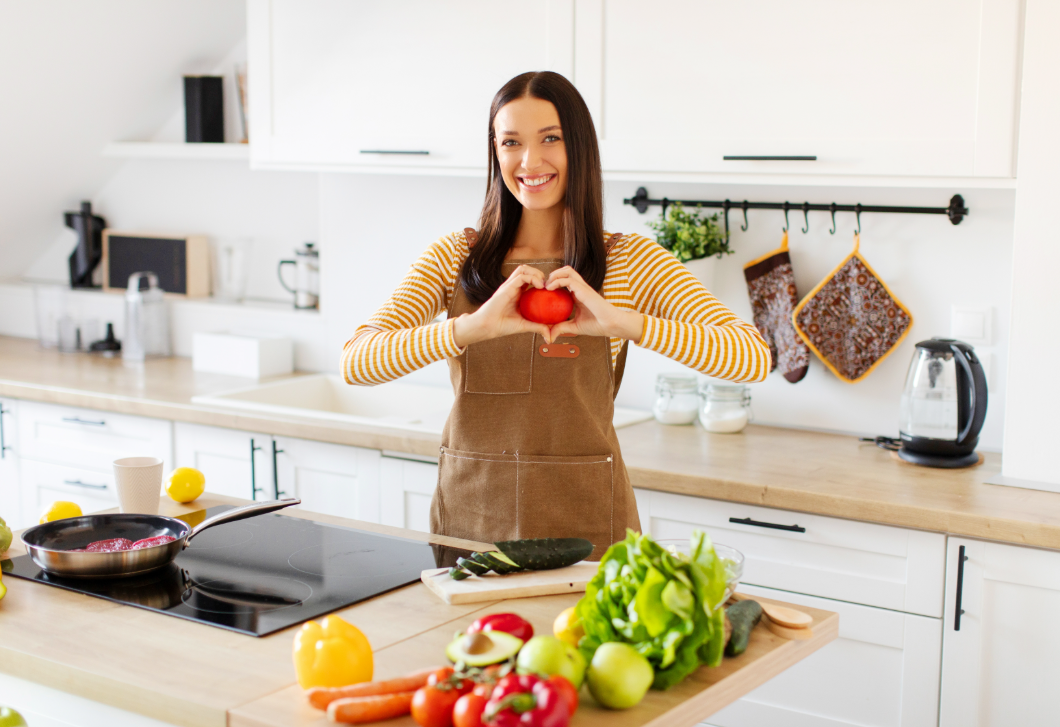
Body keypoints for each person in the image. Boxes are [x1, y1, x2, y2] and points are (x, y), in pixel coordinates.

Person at [343, 71, 770, 557]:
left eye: (551, 138)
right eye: (511, 142)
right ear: (495, 152)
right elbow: (356, 361)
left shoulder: (628, 261)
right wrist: (468, 329)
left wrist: (624, 323)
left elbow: (752, 357)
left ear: (580, 147)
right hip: (471, 523)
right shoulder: (456, 258)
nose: (529, 161)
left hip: (588, 528)